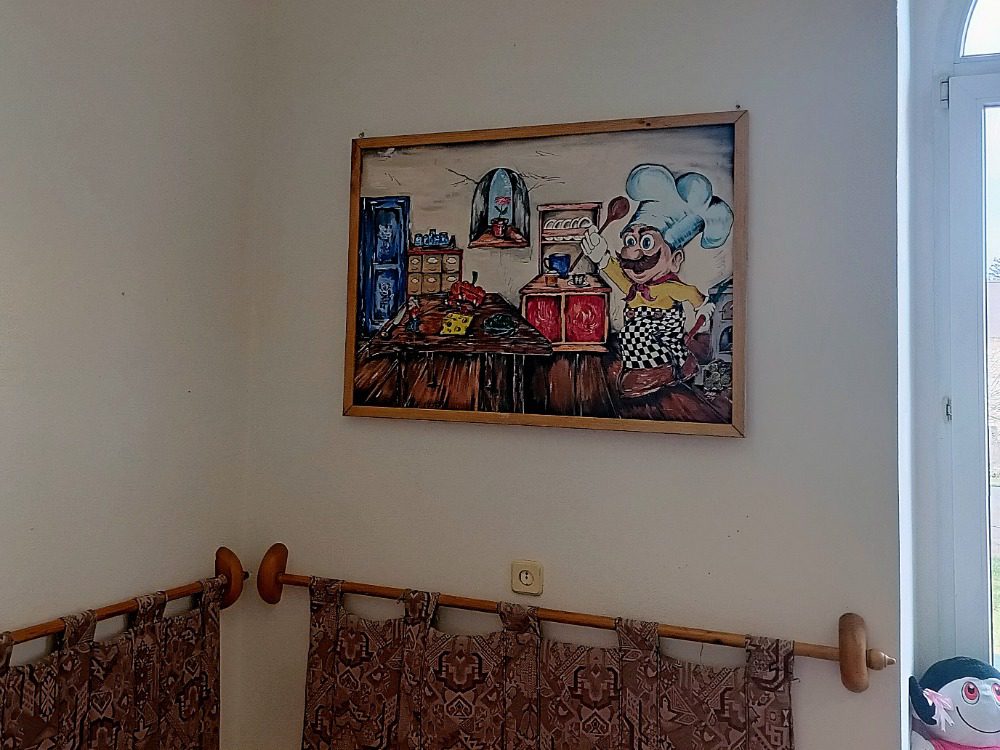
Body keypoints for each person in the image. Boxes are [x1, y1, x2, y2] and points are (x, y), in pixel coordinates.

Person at [581, 163, 733, 398]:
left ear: (675, 260)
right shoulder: (634, 286)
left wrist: (703, 306)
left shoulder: (669, 288)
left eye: (647, 243)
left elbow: (690, 293)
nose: (634, 254)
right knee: (630, 335)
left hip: (664, 337)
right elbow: (618, 275)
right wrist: (601, 256)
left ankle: (668, 370)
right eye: (630, 241)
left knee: (637, 334)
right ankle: (640, 370)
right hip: (641, 338)